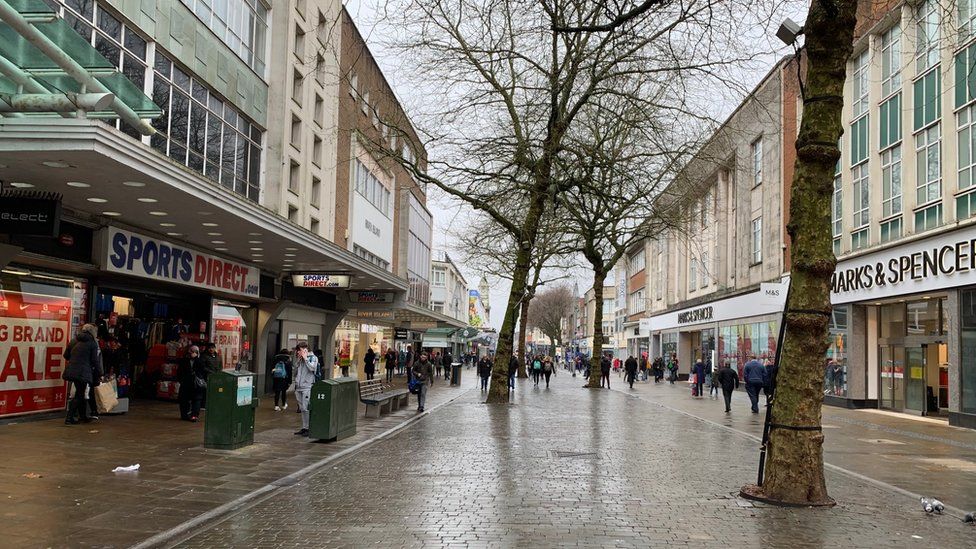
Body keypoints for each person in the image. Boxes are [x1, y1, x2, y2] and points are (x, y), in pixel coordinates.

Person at [62, 324, 102, 425]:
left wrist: (75, 359)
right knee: (80, 394)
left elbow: (66, 355)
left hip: (72, 370)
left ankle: (83, 416)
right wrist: (100, 372)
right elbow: (94, 360)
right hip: (83, 372)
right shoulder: (92, 343)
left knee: (80, 392)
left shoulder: (74, 340)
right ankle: (69, 418)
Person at [177, 345, 210, 421]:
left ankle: (194, 415)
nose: (192, 353)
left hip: (197, 384)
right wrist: (181, 380)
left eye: (195, 352)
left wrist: (196, 358)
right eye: (191, 351)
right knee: (184, 400)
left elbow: (203, 370)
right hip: (186, 383)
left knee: (197, 400)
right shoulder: (184, 360)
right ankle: (184, 415)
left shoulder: (200, 360)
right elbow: (179, 372)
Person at [293, 342, 319, 437]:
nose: (298, 352)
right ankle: (304, 427)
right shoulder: (300, 359)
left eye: (299, 350)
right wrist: (299, 361)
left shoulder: (313, 358)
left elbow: (313, 368)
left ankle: (308, 427)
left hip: (307, 386)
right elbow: (295, 371)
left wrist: (306, 359)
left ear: (305, 349)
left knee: (306, 407)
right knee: (302, 408)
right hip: (299, 387)